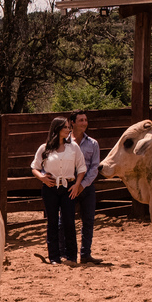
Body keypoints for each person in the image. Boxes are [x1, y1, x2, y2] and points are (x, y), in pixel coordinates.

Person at [30, 117, 85, 265]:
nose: (68, 130)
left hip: (68, 187)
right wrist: (42, 178)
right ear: (57, 129)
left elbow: (81, 168)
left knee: (69, 221)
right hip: (50, 188)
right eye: (65, 127)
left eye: (68, 127)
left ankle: (71, 256)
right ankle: (54, 257)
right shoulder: (44, 148)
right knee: (52, 222)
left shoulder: (73, 148)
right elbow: (34, 167)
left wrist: (77, 185)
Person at [68, 110, 102, 264]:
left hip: (87, 186)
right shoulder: (65, 142)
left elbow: (95, 167)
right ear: (72, 122)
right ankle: (67, 254)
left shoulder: (93, 143)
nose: (84, 123)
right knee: (66, 220)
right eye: (81, 120)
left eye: (86, 120)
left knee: (88, 221)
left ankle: (85, 254)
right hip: (69, 186)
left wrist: (82, 184)